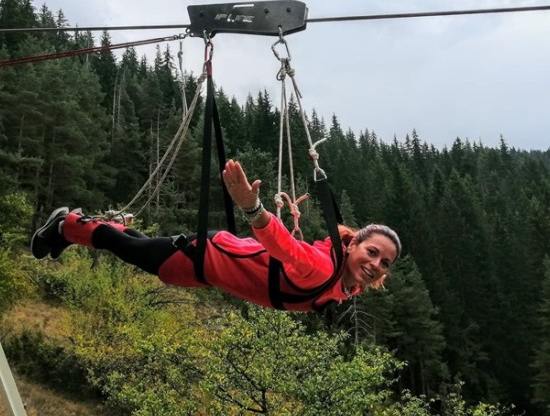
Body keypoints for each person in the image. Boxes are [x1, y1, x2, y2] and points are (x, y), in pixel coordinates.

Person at [31, 160, 401, 312]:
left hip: (214, 269)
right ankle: (66, 224)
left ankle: (98, 227)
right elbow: (283, 246)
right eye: (372, 252)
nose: (375, 264)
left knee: (143, 250)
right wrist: (253, 209)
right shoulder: (323, 267)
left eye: (384, 263)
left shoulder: (343, 283)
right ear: (351, 244)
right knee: (129, 249)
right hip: (209, 257)